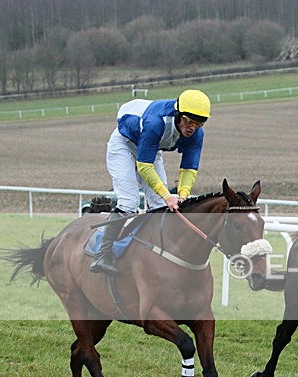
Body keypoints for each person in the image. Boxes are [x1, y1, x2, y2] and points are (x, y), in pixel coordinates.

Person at [90, 89, 211, 274]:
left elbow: (189, 168)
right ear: (178, 114)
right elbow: (144, 166)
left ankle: (154, 254)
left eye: (199, 123)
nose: (192, 128)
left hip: (151, 148)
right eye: (188, 121)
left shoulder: (197, 134)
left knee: (159, 206)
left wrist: (182, 195)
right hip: (124, 144)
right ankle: (101, 255)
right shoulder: (156, 122)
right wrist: (167, 196)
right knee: (129, 202)